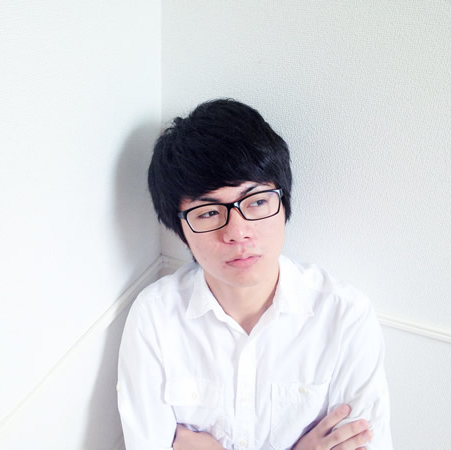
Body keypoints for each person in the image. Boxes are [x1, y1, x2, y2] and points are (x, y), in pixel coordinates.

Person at [117, 99, 392, 449]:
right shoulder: (155, 317)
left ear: (283, 203)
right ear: (180, 229)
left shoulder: (344, 316)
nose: (237, 232)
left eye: (257, 202)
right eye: (208, 212)